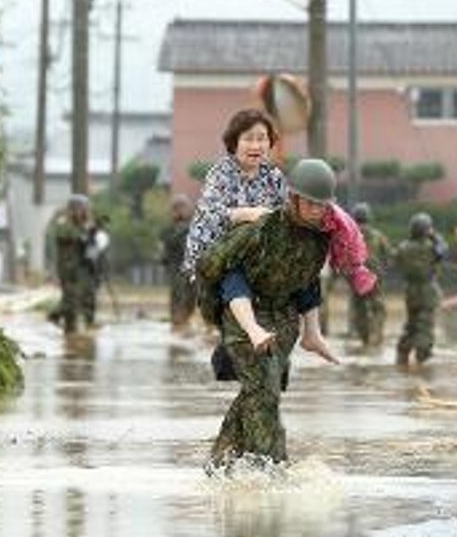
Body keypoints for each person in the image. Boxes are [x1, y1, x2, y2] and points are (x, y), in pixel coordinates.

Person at [183, 108, 374, 353]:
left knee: (304, 260)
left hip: (257, 248)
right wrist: (246, 213)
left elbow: (288, 210)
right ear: (234, 142)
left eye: (261, 139)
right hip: (220, 253)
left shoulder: (272, 175)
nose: (256, 145)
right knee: (234, 275)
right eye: (248, 139)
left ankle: (312, 333)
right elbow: (209, 214)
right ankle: (252, 329)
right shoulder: (221, 174)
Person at [197, 158, 340, 469]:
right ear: (294, 198)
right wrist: (230, 318)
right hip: (244, 314)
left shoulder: (319, 238)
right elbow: (211, 267)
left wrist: (313, 333)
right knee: (264, 391)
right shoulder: (262, 228)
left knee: (261, 390)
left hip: (284, 320)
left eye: (322, 204)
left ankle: (220, 465)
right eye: (310, 203)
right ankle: (272, 470)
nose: (317, 210)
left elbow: (308, 283)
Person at [394, 211, 448, 368]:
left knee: (411, 325)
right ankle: (422, 358)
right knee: (425, 327)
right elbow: (443, 250)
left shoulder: (403, 247)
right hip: (427, 291)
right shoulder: (431, 247)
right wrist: (435, 235)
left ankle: (402, 354)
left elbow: (397, 260)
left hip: (410, 291)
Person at [50, 194, 101, 333]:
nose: (84, 213)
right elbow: (68, 236)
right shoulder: (63, 224)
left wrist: (93, 234)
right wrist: (85, 231)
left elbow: (91, 245)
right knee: (71, 300)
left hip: (85, 268)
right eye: (81, 209)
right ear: (73, 209)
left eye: (85, 209)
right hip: (69, 270)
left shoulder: (85, 225)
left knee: (89, 296)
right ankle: (62, 321)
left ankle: (88, 326)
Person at [350, 202, 394, 348]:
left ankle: (364, 338)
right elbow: (389, 254)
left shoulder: (349, 235)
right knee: (378, 307)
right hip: (374, 276)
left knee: (359, 307)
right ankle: (376, 336)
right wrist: (383, 269)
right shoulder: (378, 235)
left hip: (356, 276)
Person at [160, 193, 196, 332]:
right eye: (178, 207)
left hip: (192, 267)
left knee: (191, 296)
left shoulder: (194, 225)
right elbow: (166, 249)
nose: (181, 210)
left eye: (183, 207)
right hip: (176, 267)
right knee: (179, 295)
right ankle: (178, 323)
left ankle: (185, 320)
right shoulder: (169, 229)